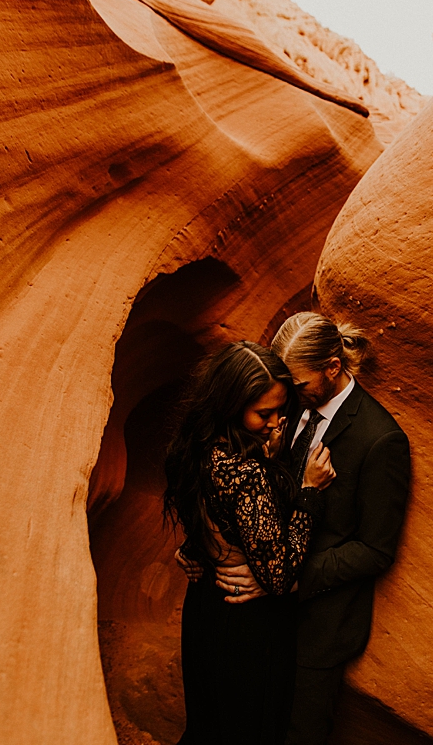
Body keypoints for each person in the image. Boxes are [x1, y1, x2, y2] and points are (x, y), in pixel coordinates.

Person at [180, 314, 412, 745]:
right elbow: (246, 493)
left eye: (299, 387)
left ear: (332, 367)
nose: (288, 401)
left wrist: (282, 581)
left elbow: (374, 549)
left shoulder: (380, 440)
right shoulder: (280, 407)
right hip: (258, 621)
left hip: (315, 628)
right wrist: (204, 541)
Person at [164, 341, 337, 745]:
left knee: (208, 724)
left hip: (205, 607)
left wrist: (195, 550)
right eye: (264, 413)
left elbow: (209, 514)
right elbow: (277, 576)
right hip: (246, 626)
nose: (277, 422)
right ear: (229, 404)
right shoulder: (246, 474)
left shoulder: (197, 446)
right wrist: (309, 491)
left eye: (281, 410)